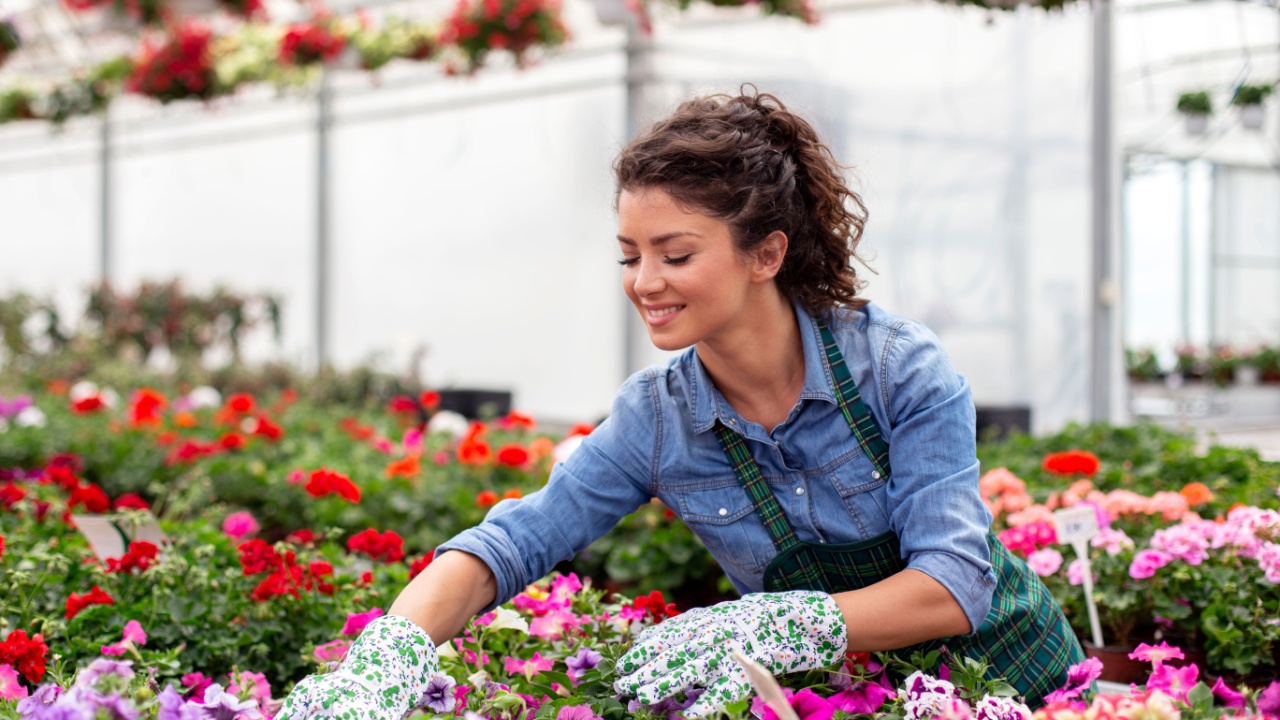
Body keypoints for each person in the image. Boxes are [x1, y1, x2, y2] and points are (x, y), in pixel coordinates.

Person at [277, 89, 1084, 720]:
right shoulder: (656, 418)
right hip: (862, 697)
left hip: (1026, 685)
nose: (643, 283)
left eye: (676, 254)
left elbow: (953, 585)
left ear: (766, 253)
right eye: (630, 255)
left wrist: (768, 624)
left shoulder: (897, 368)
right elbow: (513, 543)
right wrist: (388, 655)